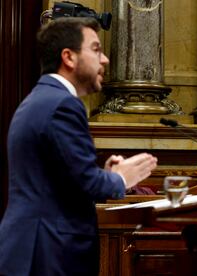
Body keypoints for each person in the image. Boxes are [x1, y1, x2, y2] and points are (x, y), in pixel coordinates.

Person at [0, 18, 158, 276]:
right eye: (96, 49)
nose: (105, 59)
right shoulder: (63, 104)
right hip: (49, 252)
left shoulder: (39, 99)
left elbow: (65, 180)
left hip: (32, 249)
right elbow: (86, 182)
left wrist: (105, 176)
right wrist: (119, 179)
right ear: (69, 57)